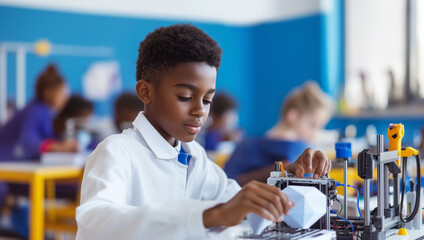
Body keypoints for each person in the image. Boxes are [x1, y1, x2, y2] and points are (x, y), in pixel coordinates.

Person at [76, 24, 331, 239]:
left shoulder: (193, 155)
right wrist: (210, 215)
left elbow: (234, 201)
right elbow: (95, 221)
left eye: (207, 100)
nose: (200, 111)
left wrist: (287, 177)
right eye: (185, 96)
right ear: (145, 92)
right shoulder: (117, 152)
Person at [224, 81, 334, 186]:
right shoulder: (299, 149)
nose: (316, 134)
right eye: (313, 125)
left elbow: (226, 181)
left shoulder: (245, 144)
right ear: (293, 116)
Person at [0, 64, 74, 161]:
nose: (65, 98)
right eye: (62, 94)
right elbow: (28, 142)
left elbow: (46, 138)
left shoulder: (44, 112)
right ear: (47, 92)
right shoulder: (34, 111)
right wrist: (58, 147)